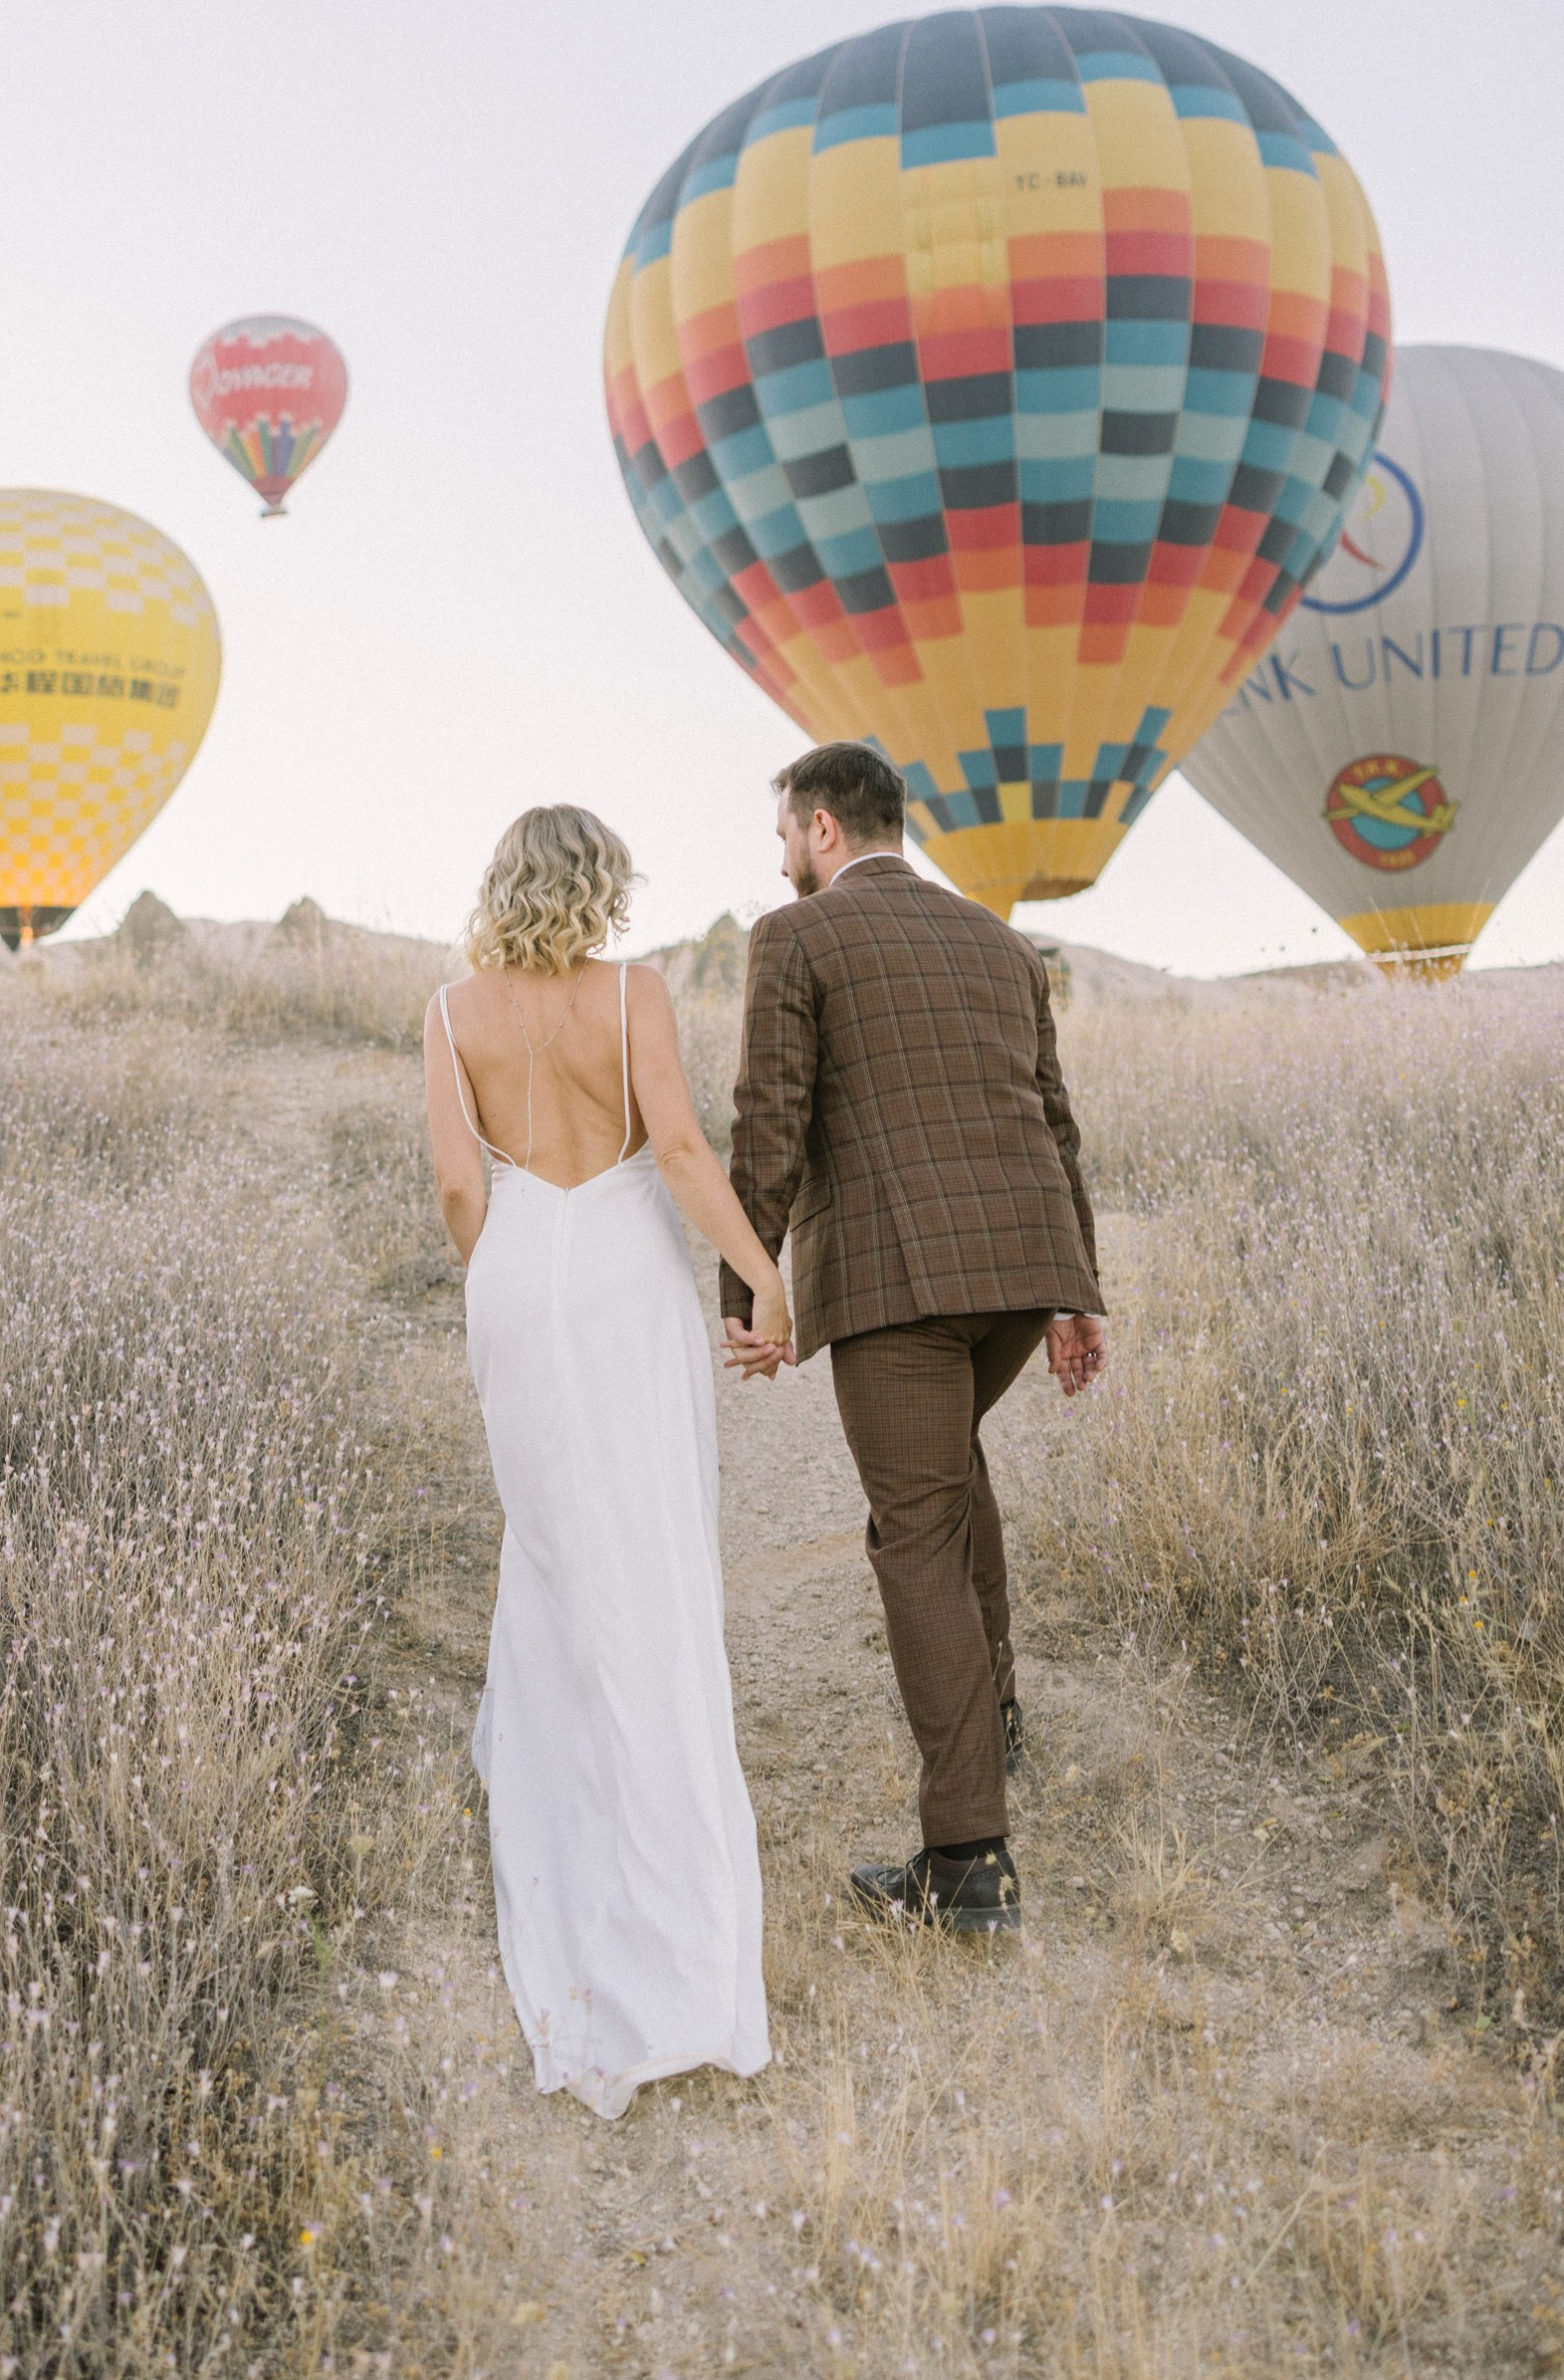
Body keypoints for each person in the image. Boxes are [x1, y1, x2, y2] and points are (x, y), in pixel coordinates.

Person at [423, 804, 789, 2120]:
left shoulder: (450, 1008)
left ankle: (562, 1748)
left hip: (516, 1270)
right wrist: (760, 1277)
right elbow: (680, 1151)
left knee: (553, 1532)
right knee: (647, 1534)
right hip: (629, 1267)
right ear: (601, 886)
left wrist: (506, 1275)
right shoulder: (633, 991)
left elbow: (460, 1188)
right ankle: (665, 1862)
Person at [722, 744, 1106, 1940]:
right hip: (1021, 1261)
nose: (779, 852)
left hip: (899, 1276)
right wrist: (1077, 1290)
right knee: (952, 1473)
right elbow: (1055, 1121)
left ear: (825, 827)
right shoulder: (1002, 942)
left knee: (916, 1529)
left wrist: (748, 1283)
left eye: (785, 830)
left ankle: (967, 1858)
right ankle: (995, 1722)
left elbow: (768, 1114)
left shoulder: (795, 939)